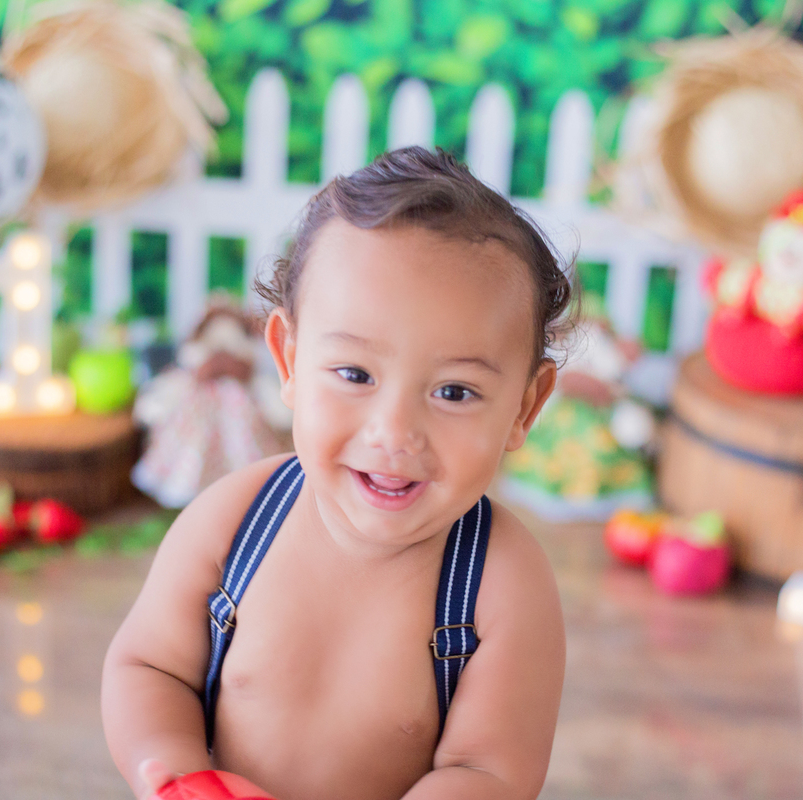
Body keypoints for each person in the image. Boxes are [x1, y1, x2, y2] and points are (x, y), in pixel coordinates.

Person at [102, 147, 571, 800]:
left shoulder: (502, 585)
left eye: (454, 391)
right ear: (288, 360)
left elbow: (489, 772)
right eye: (355, 374)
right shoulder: (233, 520)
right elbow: (149, 666)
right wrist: (180, 773)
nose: (394, 433)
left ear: (524, 405)